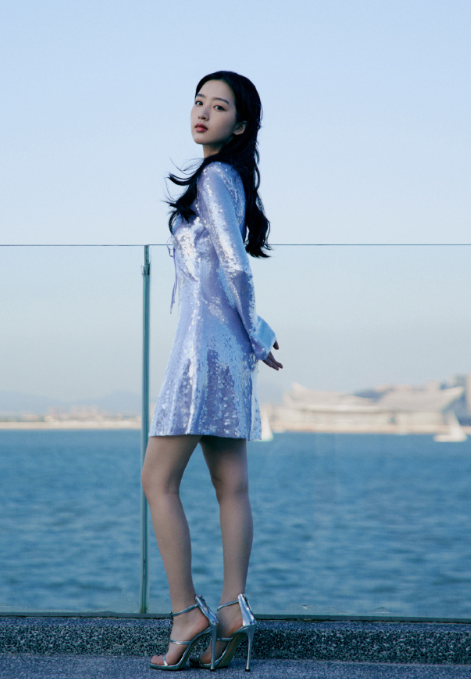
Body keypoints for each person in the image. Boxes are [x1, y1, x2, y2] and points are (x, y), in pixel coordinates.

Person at [141, 70, 283, 671]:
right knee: (232, 487)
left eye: (219, 106)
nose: (202, 112)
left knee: (157, 480)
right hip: (227, 351)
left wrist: (258, 332)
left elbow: (235, 265)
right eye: (199, 101)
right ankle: (231, 611)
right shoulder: (226, 179)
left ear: (241, 124)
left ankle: (186, 613)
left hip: (203, 353)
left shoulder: (215, 177)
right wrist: (253, 337)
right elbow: (231, 269)